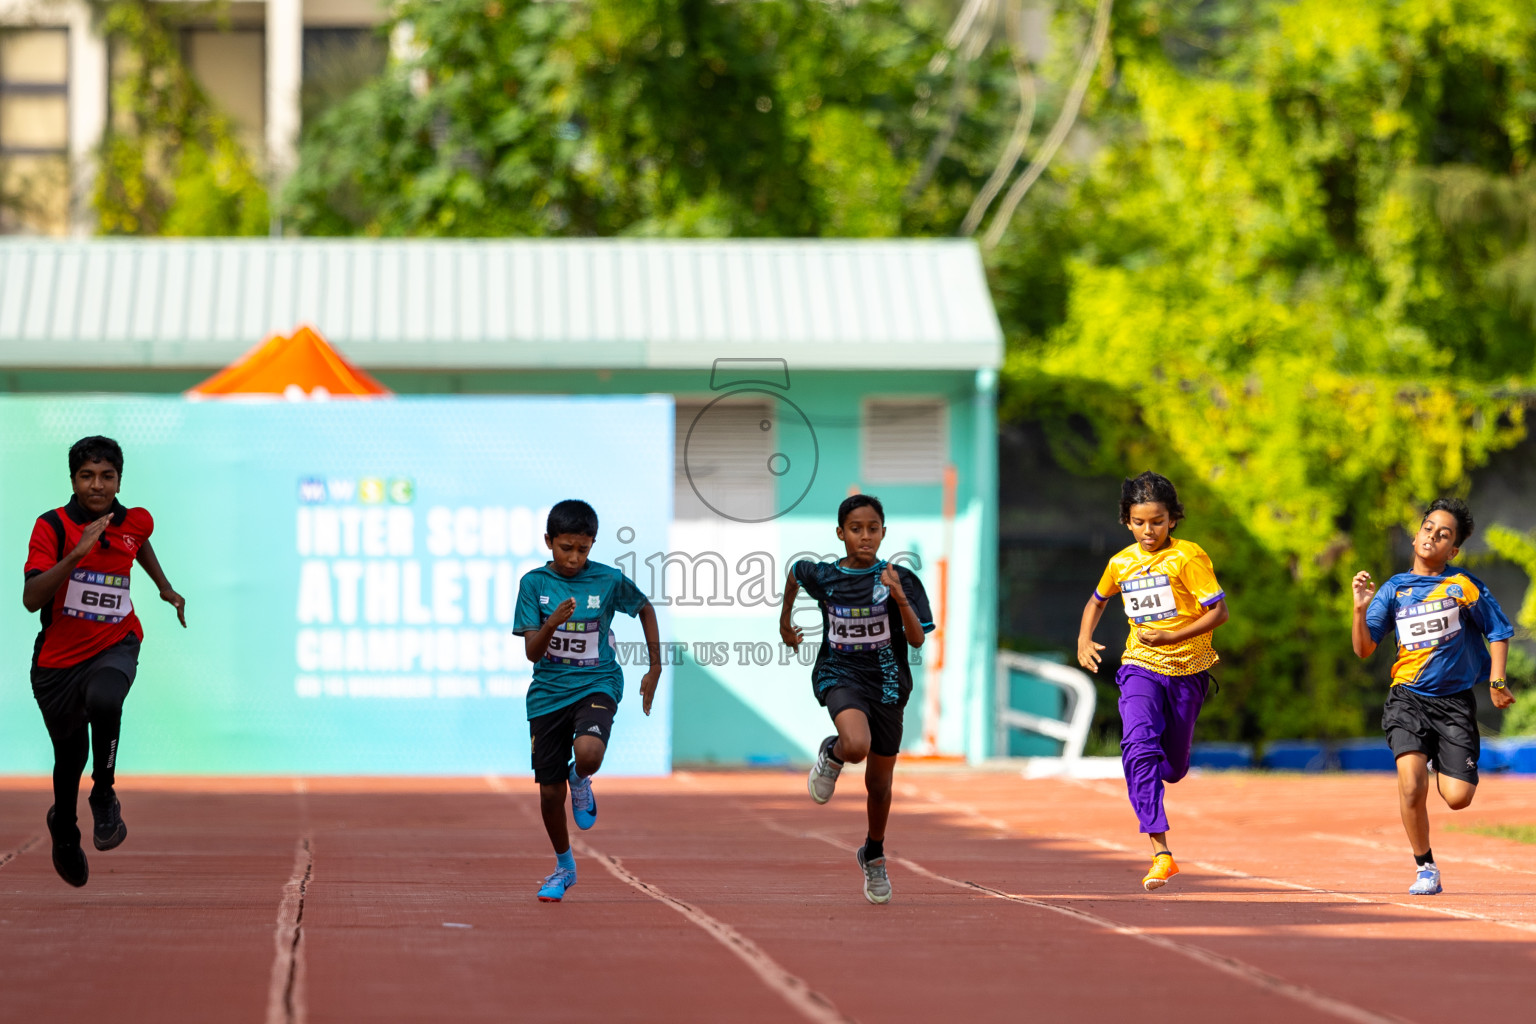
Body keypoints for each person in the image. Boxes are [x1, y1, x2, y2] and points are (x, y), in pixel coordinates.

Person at [22, 436, 186, 887]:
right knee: (68, 756)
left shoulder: (135, 520)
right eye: (87, 476)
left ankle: (105, 794)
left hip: (116, 641)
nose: (97, 486)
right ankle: (64, 830)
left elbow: (140, 542)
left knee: (106, 698)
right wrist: (76, 556)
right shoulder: (52, 527)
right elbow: (31, 599)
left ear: (119, 479)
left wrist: (164, 587)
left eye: (107, 476)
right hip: (58, 662)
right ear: (73, 480)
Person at [1351, 498, 1515, 896]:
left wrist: (1496, 681)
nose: (1432, 537)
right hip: (1406, 698)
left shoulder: (1463, 586)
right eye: (1428, 529)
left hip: (1455, 704)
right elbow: (1364, 649)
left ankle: (1446, 758)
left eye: (1443, 535)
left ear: (1453, 549)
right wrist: (1359, 610)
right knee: (1411, 785)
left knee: (1457, 798)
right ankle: (1426, 866)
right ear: (1416, 535)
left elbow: (1498, 631)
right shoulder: (1393, 590)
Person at [1076, 471, 1228, 892]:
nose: (1149, 531)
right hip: (1140, 665)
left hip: (1187, 672)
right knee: (1138, 745)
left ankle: (1160, 772)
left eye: (1157, 521)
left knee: (1174, 768)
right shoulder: (1120, 563)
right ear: (1127, 521)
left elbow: (1219, 613)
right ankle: (1160, 850)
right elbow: (1097, 600)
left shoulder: (1189, 558)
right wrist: (1084, 638)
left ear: (1173, 519)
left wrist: (1173, 635)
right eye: (1140, 522)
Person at [780, 494, 933, 905]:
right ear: (840, 534)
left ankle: (874, 853)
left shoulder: (901, 578)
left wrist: (898, 596)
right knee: (855, 745)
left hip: (887, 684)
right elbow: (795, 573)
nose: (865, 537)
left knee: (879, 786)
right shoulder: (825, 575)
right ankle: (833, 753)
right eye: (855, 529)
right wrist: (785, 624)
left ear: (884, 532)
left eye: (872, 529)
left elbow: (917, 639)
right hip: (840, 674)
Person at [513, 499, 660, 902]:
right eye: (566, 548)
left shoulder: (607, 581)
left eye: (583, 548)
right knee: (547, 793)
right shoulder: (534, 585)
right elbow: (532, 652)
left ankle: (581, 777)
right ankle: (564, 866)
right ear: (548, 541)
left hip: (597, 682)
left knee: (589, 753)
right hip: (548, 694)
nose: (575, 558)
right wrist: (553, 623)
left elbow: (644, 608)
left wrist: (655, 666)